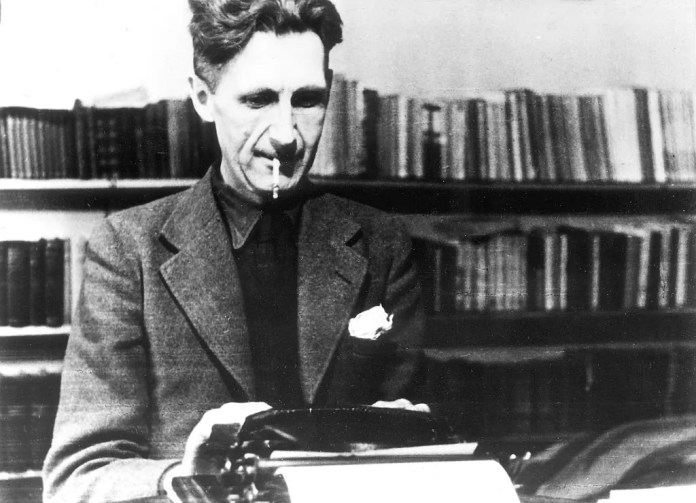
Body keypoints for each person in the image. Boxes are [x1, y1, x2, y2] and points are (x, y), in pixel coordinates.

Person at [43, 0, 428, 501]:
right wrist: (186, 481)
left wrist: (411, 447)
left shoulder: (382, 244)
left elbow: (416, 450)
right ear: (203, 98)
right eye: (258, 100)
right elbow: (77, 478)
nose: (286, 135)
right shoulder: (127, 250)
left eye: (308, 100)